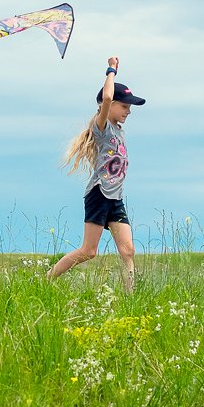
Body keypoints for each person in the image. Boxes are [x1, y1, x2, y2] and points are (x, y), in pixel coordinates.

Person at [47, 56, 145, 291]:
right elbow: (108, 95)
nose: (128, 111)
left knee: (127, 250)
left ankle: (131, 298)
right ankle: (46, 279)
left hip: (115, 198)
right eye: (124, 106)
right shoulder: (101, 127)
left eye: (130, 107)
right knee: (89, 251)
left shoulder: (120, 132)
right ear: (107, 106)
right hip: (100, 194)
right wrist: (111, 70)